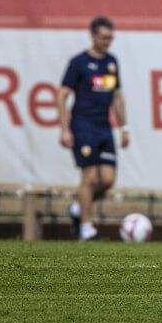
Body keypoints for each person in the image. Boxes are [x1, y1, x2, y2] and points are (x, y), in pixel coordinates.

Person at [57, 15, 130, 241]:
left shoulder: (111, 63)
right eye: (103, 38)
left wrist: (124, 127)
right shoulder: (79, 62)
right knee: (88, 176)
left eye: (110, 38)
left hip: (104, 127)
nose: (107, 42)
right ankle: (86, 229)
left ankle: (78, 209)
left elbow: (116, 96)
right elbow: (62, 94)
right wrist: (64, 129)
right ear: (92, 36)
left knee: (107, 179)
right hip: (83, 125)